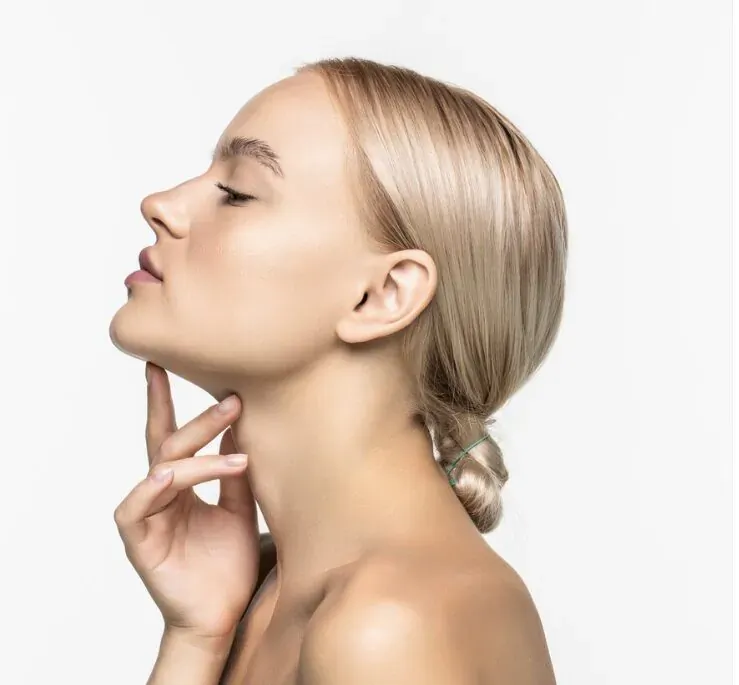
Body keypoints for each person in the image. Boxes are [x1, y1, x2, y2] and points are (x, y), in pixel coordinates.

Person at [109, 56, 565, 685]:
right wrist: (195, 640)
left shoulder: (389, 626)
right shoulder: (266, 592)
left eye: (237, 192)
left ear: (382, 295)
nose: (159, 205)